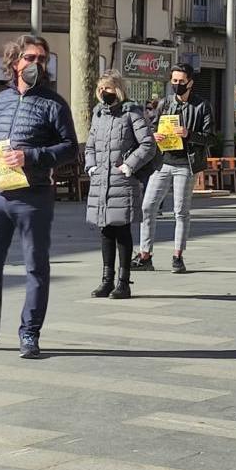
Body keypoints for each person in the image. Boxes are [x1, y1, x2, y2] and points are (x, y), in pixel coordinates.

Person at [0, 34, 78, 359]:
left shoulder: (54, 103)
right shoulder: (0, 101)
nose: (36, 64)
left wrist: (31, 157)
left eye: (42, 59)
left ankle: (29, 334)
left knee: (36, 266)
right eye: (30, 58)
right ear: (15, 62)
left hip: (33, 198)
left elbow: (70, 148)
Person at [131, 63, 213, 274]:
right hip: (162, 162)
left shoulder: (202, 106)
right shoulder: (165, 103)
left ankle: (178, 256)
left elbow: (210, 137)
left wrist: (189, 134)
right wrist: (154, 134)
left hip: (186, 164)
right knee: (147, 206)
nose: (177, 85)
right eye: (174, 81)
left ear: (190, 83)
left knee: (181, 211)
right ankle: (145, 255)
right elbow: (152, 127)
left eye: (181, 82)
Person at [84, 71, 156, 299]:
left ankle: (123, 282)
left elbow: (147, 144)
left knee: (122, 230)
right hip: (101, 181)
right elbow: (90, 146)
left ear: (118, 89)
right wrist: (91, 166)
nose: (104, 93)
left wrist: (129, 166)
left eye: (109, 88)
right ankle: (106, 280)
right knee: (106, 231)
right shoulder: (98, 114)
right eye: (101, 89)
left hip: (122, 181)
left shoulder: (131, 112)